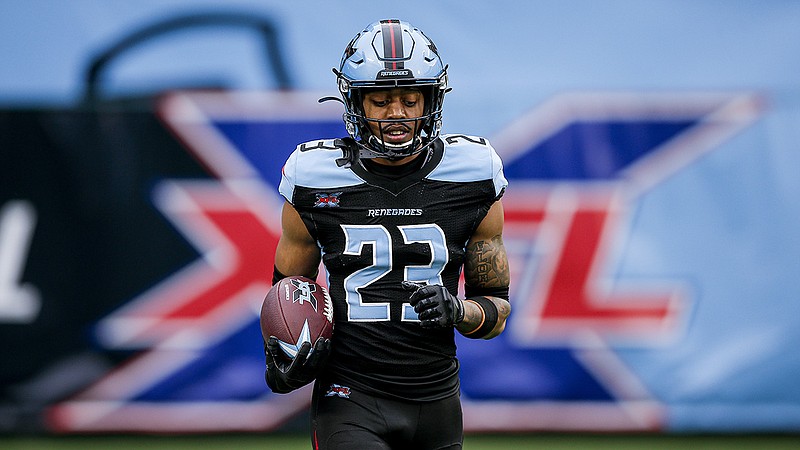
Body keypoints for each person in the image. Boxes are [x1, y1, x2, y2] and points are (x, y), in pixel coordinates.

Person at [264, 19, 511, 449]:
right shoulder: (314, 176)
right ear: (355, 103)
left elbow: (497, 311)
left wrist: (457, 310)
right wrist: (286, 356)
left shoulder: (473, 172)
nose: (396, 114)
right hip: (350, 396)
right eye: (380, 100)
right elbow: (287, 294)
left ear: (431, 99)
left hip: (436, 399)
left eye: (410, 99)